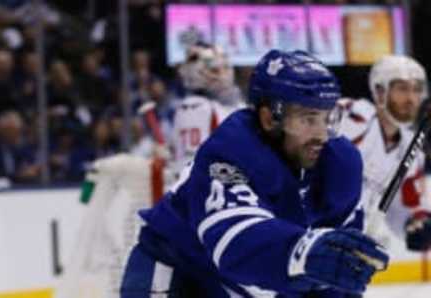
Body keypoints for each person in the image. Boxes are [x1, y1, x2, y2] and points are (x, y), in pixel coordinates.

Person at [119, 49, 389, 298]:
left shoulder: (341, 163)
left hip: (241, 286)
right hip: (177, 268)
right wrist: (303, 253)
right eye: (308, 119)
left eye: (326, 119)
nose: (320, 134)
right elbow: (235, 243)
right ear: (269, 118)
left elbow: (333, 266)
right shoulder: (231, 149)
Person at [338, 55, 431, 251]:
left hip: (346, 251)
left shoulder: (411, 150)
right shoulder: (352, 119)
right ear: (380, 92)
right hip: (306, 235)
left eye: (417, 90)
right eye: (402, 89)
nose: (411, 99)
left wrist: (415, 225)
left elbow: (402, 207)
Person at [170, 42, 244, 175]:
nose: (224, 75)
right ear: (195, 74)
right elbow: (190, 168)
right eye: (215, 70)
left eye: (226, 68)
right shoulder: (194, 107)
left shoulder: (236, 104)